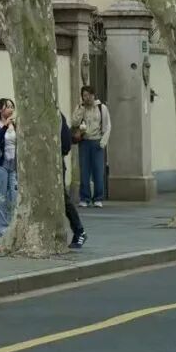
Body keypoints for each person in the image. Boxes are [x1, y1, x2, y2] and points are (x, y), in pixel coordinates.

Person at [71, 85, 111, 207]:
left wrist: (103, 142)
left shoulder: (101, 108)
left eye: (89, 95)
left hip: (97, 141)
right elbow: (74, 122)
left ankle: (98, 198)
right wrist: (81, 110)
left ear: (93, 95)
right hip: (84, 141)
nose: (87, 98)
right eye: (84, 95)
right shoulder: (80, 107)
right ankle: (85, 198)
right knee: (84, 171)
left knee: (98, 171)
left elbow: (107, 126)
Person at [0, 99, 18, 237]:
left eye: (12, 107)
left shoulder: (16, 125)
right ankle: (3, 229)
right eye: (8, 107)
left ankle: (14, 226)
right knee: (1, 197)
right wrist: (5, 126)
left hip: (14, 165)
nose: (11, 110)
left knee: (14, 196)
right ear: (0, 110)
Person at [61, 111, 87, 248]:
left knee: (63, 198)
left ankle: (79, 230)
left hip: (56, 164)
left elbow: (66, 143)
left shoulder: (57, 116)